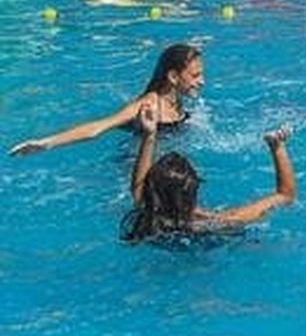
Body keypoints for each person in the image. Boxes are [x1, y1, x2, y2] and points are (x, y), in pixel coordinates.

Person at [121, 98, 296, 242]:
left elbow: (138, 185)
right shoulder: (216, 223)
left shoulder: (145, 217)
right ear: (193, 190)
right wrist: (277, 147)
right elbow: (285, 195)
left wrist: (149, 135)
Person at [8, 42, 206, 157]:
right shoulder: (149, 104)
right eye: (195, 75)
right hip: (134, 165)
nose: (202, 81)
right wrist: (46, 143)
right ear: (173, 77)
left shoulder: (178, 99)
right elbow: (97, 128)